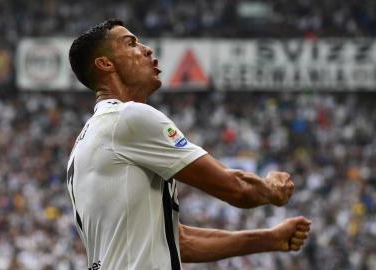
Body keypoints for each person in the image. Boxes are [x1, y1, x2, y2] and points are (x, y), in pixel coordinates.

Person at [67, 19, 311, 270]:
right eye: (131, 43)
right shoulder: (128, 118)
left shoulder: (84, 144)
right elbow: (235, 189)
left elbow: (176, 241)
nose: (147, 49)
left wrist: (268, 239)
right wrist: (271, 189)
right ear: (106, 64)